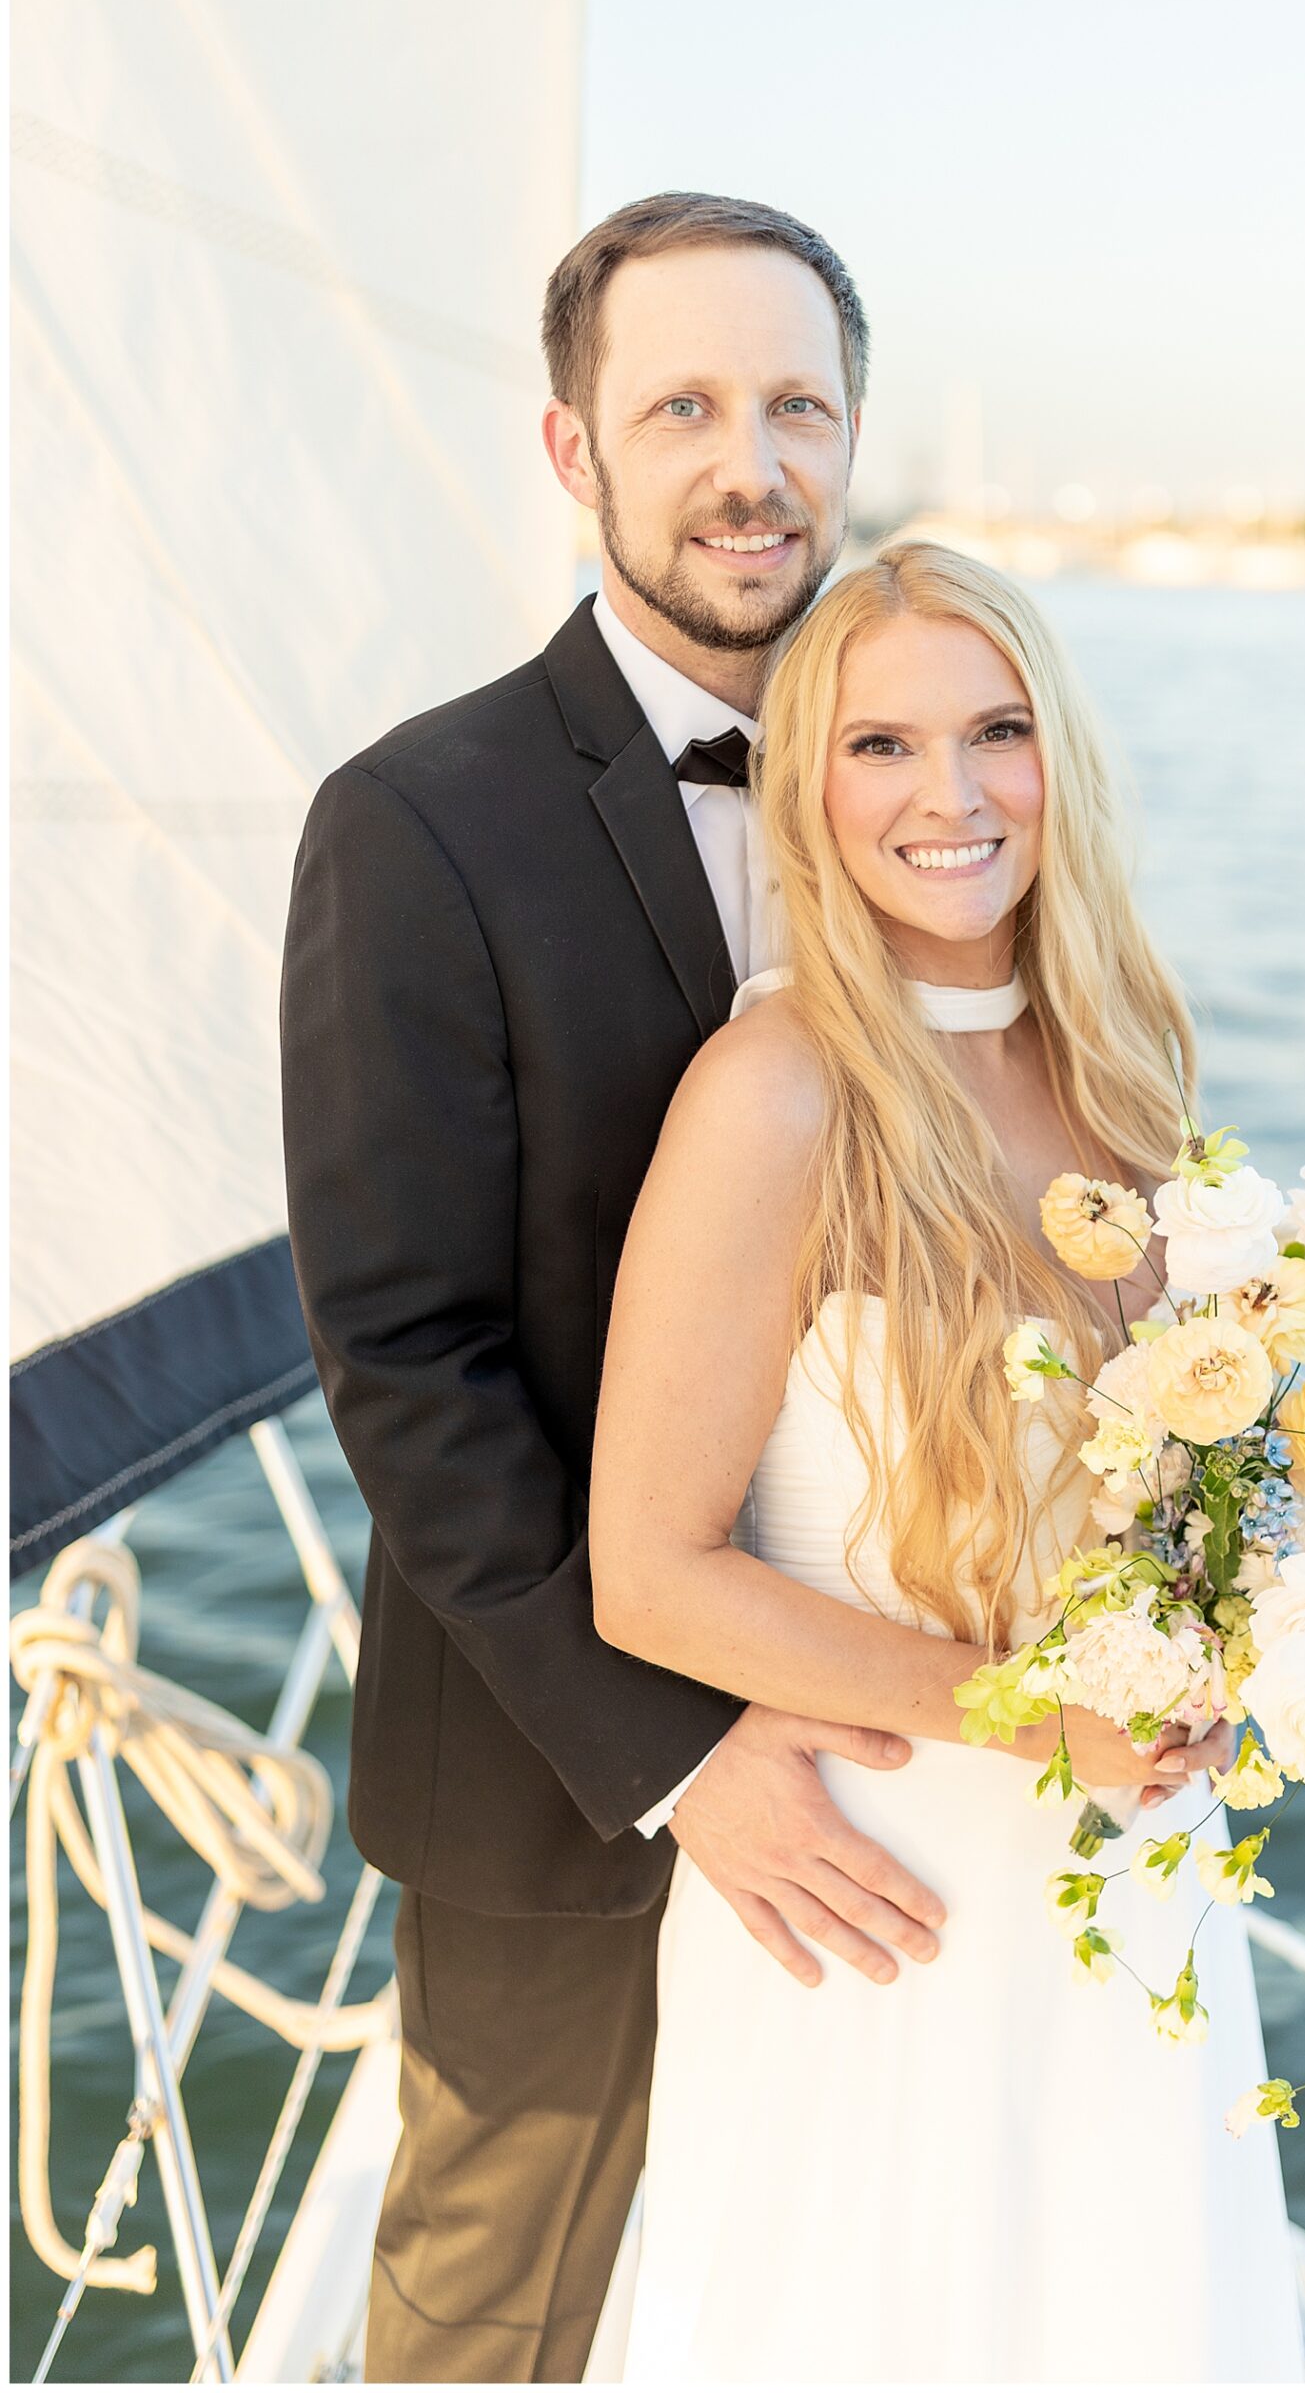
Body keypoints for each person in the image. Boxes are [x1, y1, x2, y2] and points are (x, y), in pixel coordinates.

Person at [280, 193, 958, 2383]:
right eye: (681, 404)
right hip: (564, 1755)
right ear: (572, 450)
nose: (746, 461)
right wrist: (684, 1751)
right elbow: (405, 1358)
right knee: (498, 2307)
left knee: (864, 2271)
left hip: (908, 1700)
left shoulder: (950, 782)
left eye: (792, 404)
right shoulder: (417, 819)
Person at [585, 541, 1305, 2382]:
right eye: (881, 747)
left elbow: (1170, 1482)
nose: (950, 795)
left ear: (1056, 752)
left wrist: (1255, 1644)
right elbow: (650, 1571)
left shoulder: (1121, 1083)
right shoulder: (779, 1094)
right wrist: (1026, 1715)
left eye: (994, 731)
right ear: (809, 795)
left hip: (1132, 1872)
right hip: (874, 1884)